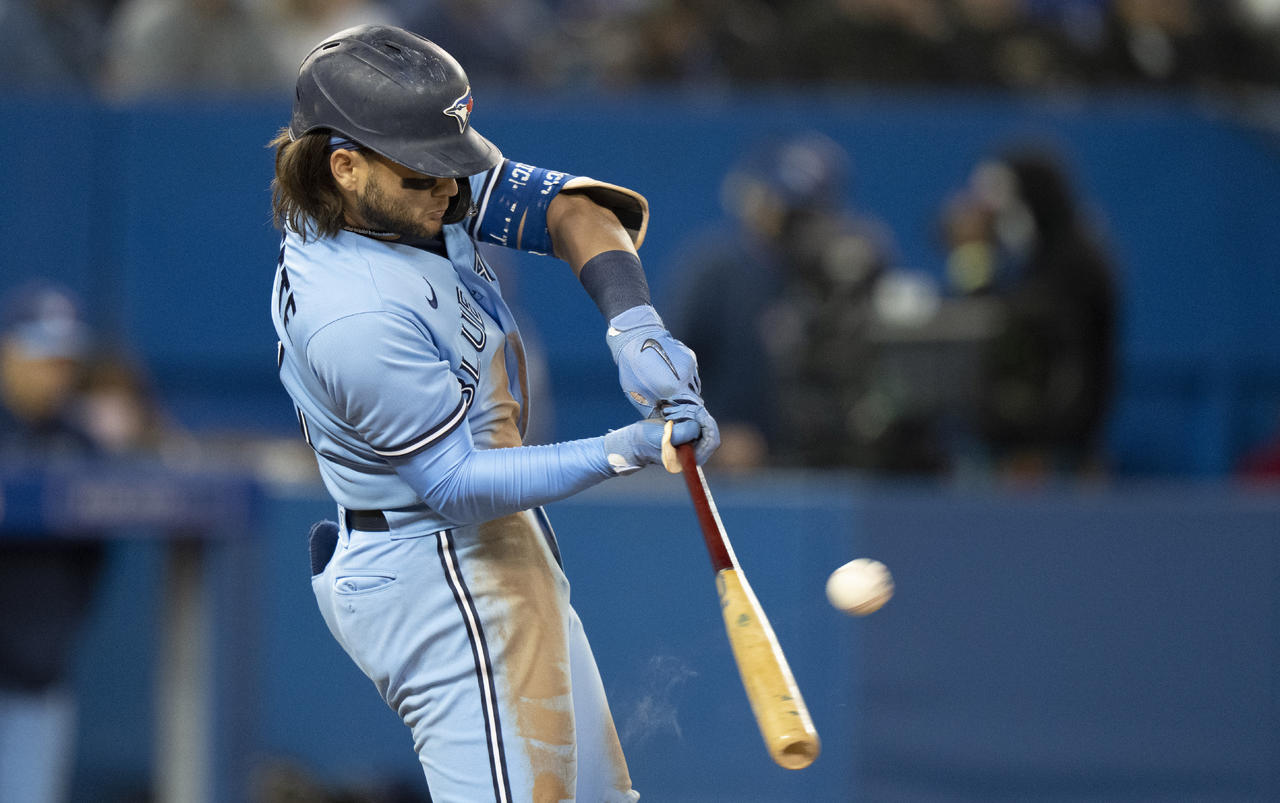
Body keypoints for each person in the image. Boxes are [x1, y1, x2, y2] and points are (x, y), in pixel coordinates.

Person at [268, 25, 718, 802]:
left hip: (485, 542)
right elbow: (455, 484)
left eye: (452, 163)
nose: (450, 190)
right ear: (344, 164)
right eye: (425, 173)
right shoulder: (352, 312)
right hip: (437, 568)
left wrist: (633, 321)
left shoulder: (392, 189)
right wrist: (627, 447)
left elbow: (572, 208)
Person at [666, 131, 904, 471]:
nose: (795, 225)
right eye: (786, 210)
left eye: (809, 213)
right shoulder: (716, 272)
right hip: (735, 469)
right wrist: (708, 435)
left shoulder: (844, 272)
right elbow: (664, 374)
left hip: (827, 461)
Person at [940, 145, 1118, 478]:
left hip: (1054, 452)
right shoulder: (1031, 261)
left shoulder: (1074, 263)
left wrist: (1045, 441)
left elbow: (1036, 339)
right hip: (1022, 443)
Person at [0, 282, 105, 803]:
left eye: (64, 362)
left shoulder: (79, 444)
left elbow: (93, 561)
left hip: (36, 678)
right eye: (42, 358)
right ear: (8, 353)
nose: (54, 375)